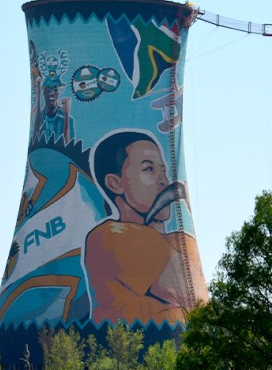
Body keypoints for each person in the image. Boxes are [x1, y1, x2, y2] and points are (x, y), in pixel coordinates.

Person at [84, 131, 207, 325]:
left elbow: (203, 314)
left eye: (163, 170)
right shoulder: (113, 236)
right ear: (115, 184)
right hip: (133, 350)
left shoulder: (181, 239)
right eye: (149, 169)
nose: (164, 180)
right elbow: (194, 301)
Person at [34, 74, 75, 142]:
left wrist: (67, 114)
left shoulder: (67, 118)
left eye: (55, 90)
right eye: (48, 89)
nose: (52, 93)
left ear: (59, 92)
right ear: (43, 92)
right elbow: (35, 140)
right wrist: (38, 95)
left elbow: (68, 148)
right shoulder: (39, 118)